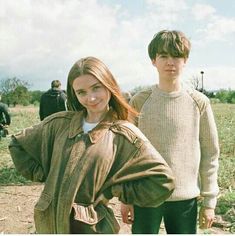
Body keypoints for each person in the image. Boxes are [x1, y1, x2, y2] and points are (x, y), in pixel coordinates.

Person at [9, 56, 175, 234]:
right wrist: (48, 174)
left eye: (96, 88)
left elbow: (162, 180)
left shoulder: (123, 134)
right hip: (49, 225)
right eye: (81, 92)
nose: (91, 98)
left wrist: (113, 190)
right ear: (73, 94)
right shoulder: (59, 124)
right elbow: (18, 144)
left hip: (91, 227)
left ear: (109, 85)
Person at [121, 30, 220, 234]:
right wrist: (126, 197)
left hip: (185, 198)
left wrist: (209, 201)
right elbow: (127, 154)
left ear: (185, 60)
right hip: (145, 196)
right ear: (153, 61)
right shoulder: (140, 101)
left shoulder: (199, 102)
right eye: (163, 56)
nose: (170, 62)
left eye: (176, 56)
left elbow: (210, 153)